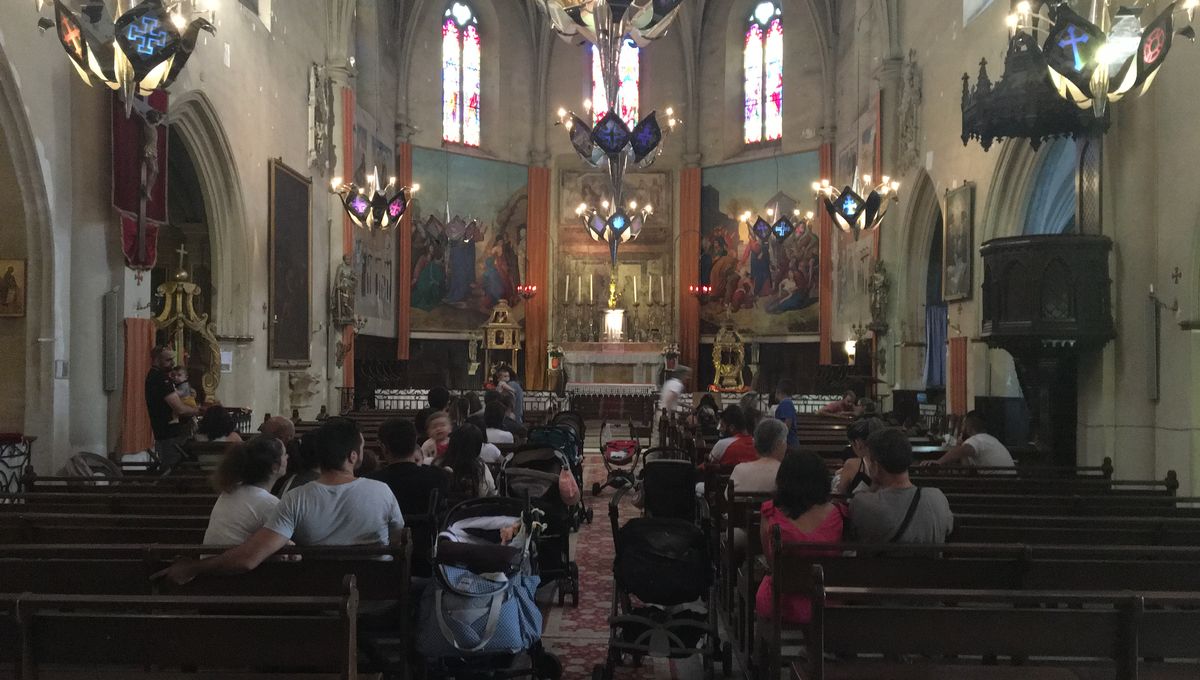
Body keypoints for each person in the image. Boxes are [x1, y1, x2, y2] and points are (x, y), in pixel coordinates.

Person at [153, 418, 405, 584]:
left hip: (318, 597)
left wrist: (194, 567)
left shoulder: (295, 498)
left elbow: (248, 558)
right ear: (353, 457)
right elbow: (397, 540)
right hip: (377, 593)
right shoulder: (382, 491)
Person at [756, 451, 847, 624]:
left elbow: (771, 560)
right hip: (826, 599)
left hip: (781, 601)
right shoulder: (838, 513)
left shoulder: (770, 512)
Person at [849, 428, 954, 544]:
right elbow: (949, 529)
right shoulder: (937, 498)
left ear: (876, 466)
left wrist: (873, 482)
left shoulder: (863, 503)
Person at [203, 437, 288, 545]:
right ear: (275, 467)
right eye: (284, 454)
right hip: (230, 560)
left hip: (211, 557)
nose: (287, 457)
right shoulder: (268, 503)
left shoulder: (232, 489)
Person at [367, 418, 450, 517]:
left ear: (383, 447)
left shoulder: (371, 483)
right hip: (427, 532)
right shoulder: (438, 476)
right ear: (415, 442)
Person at [145, 346, 199, 471]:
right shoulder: (161, 379)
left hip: (164, 432)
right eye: (168, 360)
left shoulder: (154, 376)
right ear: (157, 360)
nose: (173, 363)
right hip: (169, 434)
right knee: (174, 469)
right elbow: (180, 409)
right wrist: (197, 410)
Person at [924, 411, 1015, 469]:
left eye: (963, 425)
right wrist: (960, 446)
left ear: (969, 427)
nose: (962, 427)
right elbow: (966, 469)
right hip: (1007, 485)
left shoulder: (976, 440)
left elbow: (962, 450)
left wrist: (939, 462)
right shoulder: (990, 439)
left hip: (996, 487)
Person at [438, 424, 497, 501]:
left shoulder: (439, 463)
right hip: (475, 510)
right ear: (478, 447)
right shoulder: (481, 469)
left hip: (447, 511)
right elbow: (491, 492)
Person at [730, 419, 788, 493]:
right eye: (785, 441)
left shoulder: (739, 470)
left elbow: (727, 499)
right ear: (778, 444)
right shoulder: (786, 474)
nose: (786, 446)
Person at [831, 417, 886, 496]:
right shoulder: (891, 461)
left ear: (858, 443)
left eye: (852, 444)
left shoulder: (852, 465)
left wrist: (838, 478)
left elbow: (839, 495)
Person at [773, 379, 799, 448]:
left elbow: (788, 422)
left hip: (789, 442)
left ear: (778, 392)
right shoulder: (787, 403)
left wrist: (780, 438)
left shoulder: (786, 403)